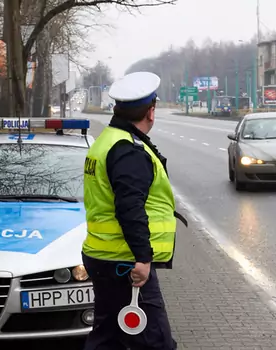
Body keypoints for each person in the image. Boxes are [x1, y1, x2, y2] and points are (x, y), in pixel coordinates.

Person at [82, 71, 186, 350]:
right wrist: (143, 257)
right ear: (151, 112)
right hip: (124, 262)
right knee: (155, 342)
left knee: (108, 336)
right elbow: (129, 207)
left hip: (105, 255)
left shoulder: (108, 140)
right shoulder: (128, 150)